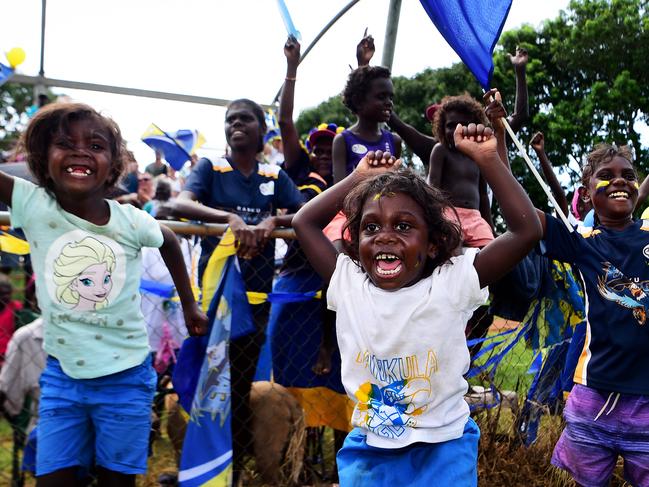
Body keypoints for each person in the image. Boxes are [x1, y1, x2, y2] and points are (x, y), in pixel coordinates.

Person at [293, 121, 542, 485]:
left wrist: (489, 160)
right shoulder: (348, 284)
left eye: (404, 227)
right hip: (370, 449)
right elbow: (304, 223)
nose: (386, 237)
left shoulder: (452, 283)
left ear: (433, 244)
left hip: (444, 447)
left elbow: (526, 231)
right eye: (371, 227)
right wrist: (358, 179)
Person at [1, 102, 207, 487]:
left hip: (126, 378)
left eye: (95, 145)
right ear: (45, 160)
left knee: (116, 480)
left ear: (112, 166)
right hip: (63, 376)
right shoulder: (32, 204)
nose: (80, 150)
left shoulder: (131, 220)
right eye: (65, 143)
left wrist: (190, 303)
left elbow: (170, 241)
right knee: (52, 478)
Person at [161, 98, 304, 477]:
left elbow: (305, 211)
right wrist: (230, 218)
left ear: (262, 129)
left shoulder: (274, 177)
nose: (235, 125)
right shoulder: (211, 168)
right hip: (215, 303)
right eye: (230, 120)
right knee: (207, 384)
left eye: (245, 119)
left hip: (255, 304)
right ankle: (202, 464)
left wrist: (273, 221)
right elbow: (181, 203)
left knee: (239, 386)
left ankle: (231, 466)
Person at [531, 144, 649, 486]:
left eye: (628, 176)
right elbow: (523, 215)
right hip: (593, 399)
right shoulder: (582, 242)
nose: (619, 182)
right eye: (606, 176)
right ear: (586, 193)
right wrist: (493, 153)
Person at [332, 65, 402, 184]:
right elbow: (338, 190)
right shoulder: (342, 140)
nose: (389, 102)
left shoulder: (394, 141)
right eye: (381, 97)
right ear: (358, 101)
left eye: (391, 97)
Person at [0, 273, 22, 366]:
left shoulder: (16, 307)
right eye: (2, 293)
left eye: (8, 293)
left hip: (10, 355)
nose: (6, 296)